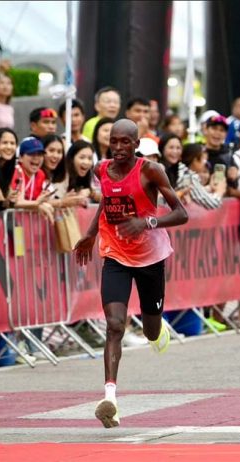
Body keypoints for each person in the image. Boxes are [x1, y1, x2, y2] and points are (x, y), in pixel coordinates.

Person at [74, 119, 188, 429]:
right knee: (114, 325)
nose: (119, 147)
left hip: (150, 257)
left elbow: (181, 213)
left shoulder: (151, 170)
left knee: (151, 331)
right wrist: (90, 234)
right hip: (115, 254)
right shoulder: (101, 169)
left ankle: (157, 329)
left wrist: (146, 222)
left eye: (126, 142)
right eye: (114, 141)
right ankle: (110, 399)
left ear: (136, 144)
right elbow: (106, 201)